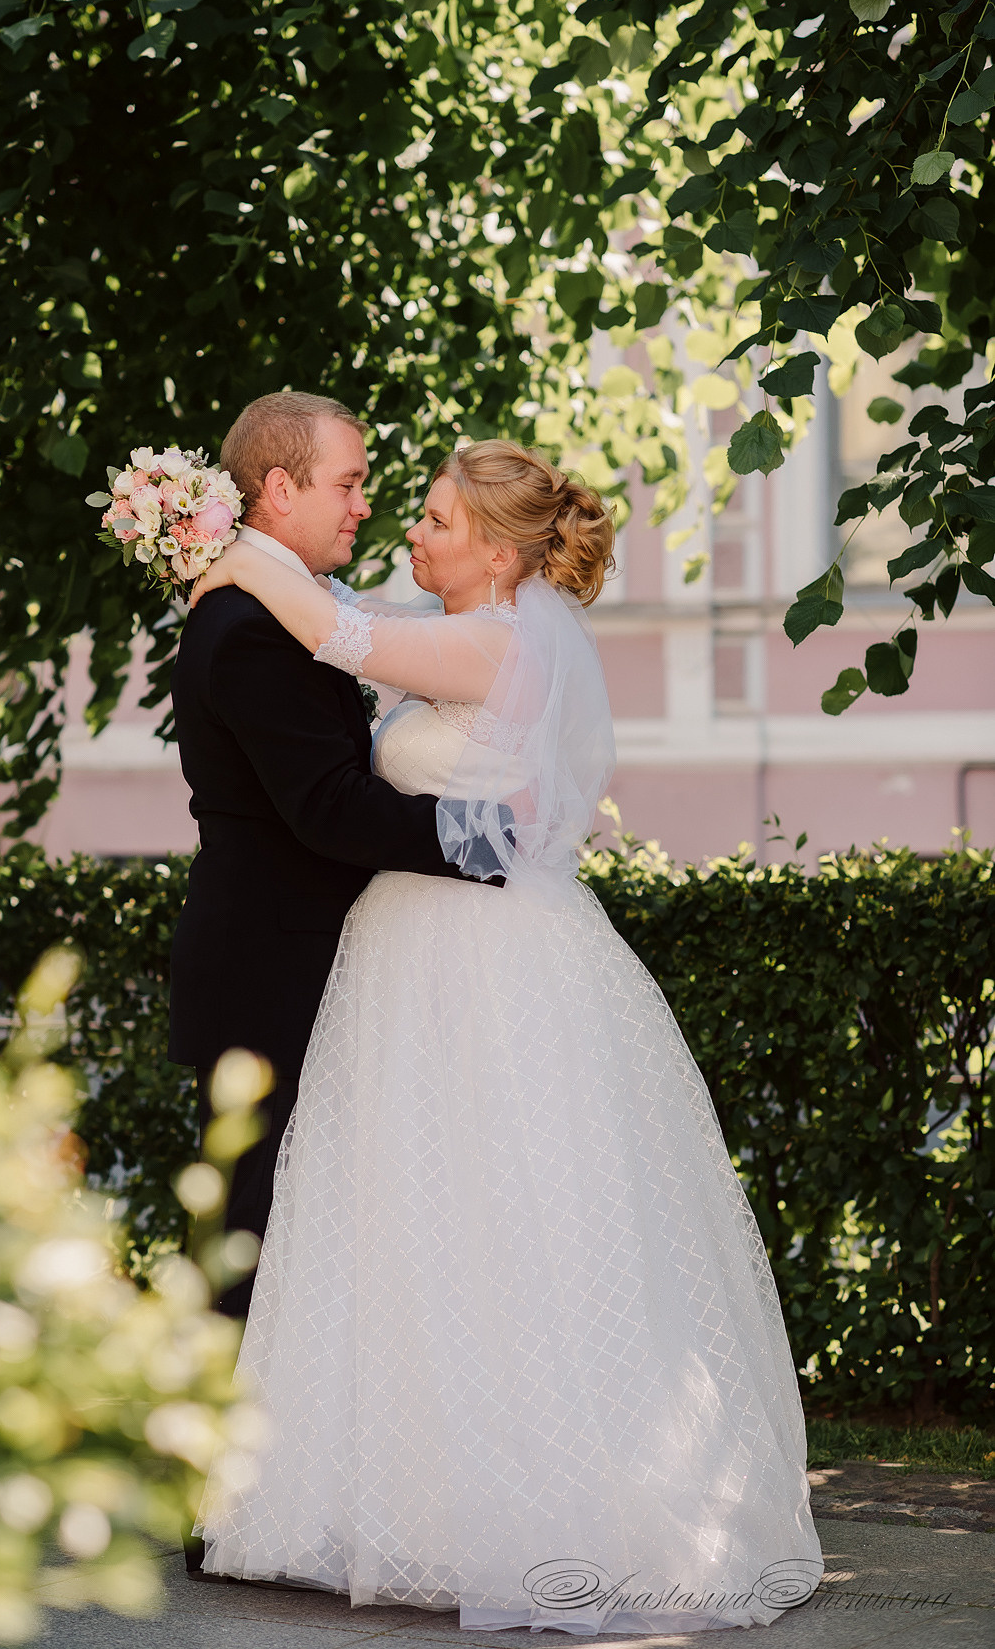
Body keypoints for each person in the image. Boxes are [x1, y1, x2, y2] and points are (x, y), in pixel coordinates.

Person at [188, 439, 823, 1636]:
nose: (409, 536)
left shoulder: (499, 640)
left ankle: (525, 1500)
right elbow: (355, 636)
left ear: (495, 546)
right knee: (405, 1219)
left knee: (495, 1208)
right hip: (408, 954)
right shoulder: (474, 636)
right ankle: (399, 1492)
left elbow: (340, 636)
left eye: (432, 519)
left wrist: (228, 557)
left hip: (475, 963)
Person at [168, 391, 495, 1333]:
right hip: (271, 969)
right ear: (280, 488)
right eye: (348, 483)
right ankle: (215, 1462)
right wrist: (491, 837)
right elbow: (328, 810)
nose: (365, 504)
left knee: (298, 1230)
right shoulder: (249, 628)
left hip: (303, 959)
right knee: (252, 1238)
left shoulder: (284, 609)